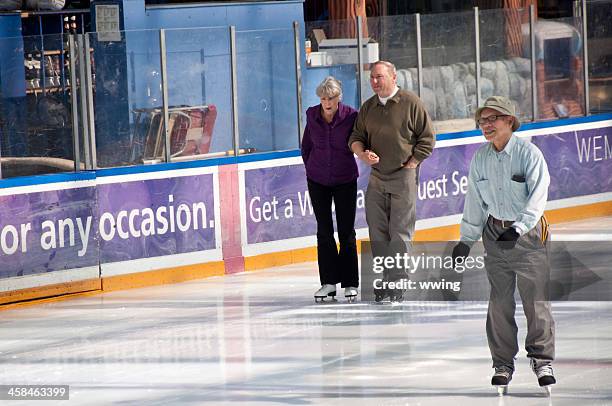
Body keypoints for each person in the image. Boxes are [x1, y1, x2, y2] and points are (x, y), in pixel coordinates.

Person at [452, 96, 556, 395]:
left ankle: (542, 360)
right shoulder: (481, 158)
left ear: (509, 121)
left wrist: (520, 228)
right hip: (494, 234)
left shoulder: (528, 154)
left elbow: (538, 197)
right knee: (499, 302)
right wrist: (466, 240)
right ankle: (502, 364)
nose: (485, 125)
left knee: (535, 300)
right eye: (482, 121)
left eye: (492, 119)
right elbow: (474, 202)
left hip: (529, 236)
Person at [348, 60, 435, 302]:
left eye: (379, 77)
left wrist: (413, 163)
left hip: (403, 176)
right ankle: (386, 277)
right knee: (378, 231)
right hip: (377, 178)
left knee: (399, 231)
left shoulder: (410, 103)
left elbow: (427, 138)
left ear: (393, 77)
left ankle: (398, 280)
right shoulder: (368, 107)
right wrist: (362, 153)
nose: (375, 82)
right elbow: (356, 137)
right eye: (372, 78)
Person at [301, 76, 360, 303]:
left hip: (345, 178)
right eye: (323, 98)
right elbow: (306, 145)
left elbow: (358, 141)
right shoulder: (311, 115)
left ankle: (350, 283)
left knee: (346, 231)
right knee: (324, 231)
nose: (327, 102)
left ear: (339, 98)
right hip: (317, 180)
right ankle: (328, 283)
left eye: (331, 98)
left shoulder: (351, 116)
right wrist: (311, 167)